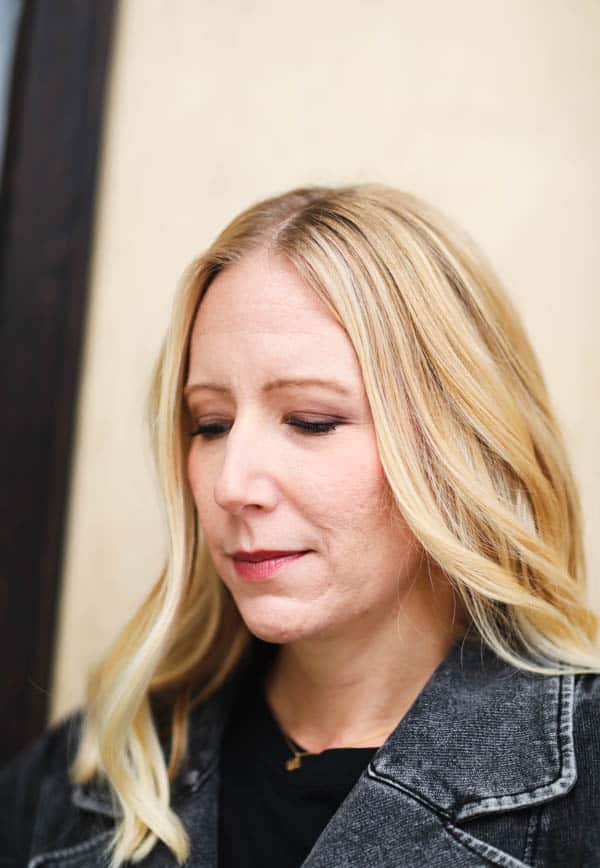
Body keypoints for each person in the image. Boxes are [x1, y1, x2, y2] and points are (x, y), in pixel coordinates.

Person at [1, 183, 599, 868]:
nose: (232, 485)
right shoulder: (95, 768)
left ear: (459, 443)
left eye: (311, 420)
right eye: (211, 424)